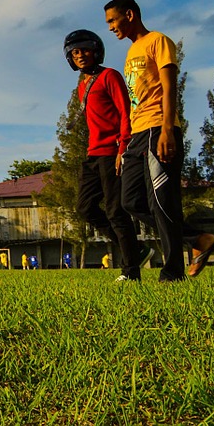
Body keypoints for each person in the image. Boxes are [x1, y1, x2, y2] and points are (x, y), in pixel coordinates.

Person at [105, 0, 214, 280]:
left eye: (112, 20)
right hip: (138, 133)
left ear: (129, 15)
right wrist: (125, 145)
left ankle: (172, 274)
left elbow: (170, 88)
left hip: (159, 127)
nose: (110, 27)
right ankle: (197, 239)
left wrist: (168, 129)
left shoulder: (158, 41)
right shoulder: (131, 52)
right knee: (130, 200)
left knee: (162, 200)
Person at [64, 28, 148, 283]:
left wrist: (123, 148)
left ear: (96, 50)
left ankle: (130, 271)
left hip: (113, 150)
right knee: (85, 207)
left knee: (115, 211)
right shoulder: (83, 86)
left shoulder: (110, 76)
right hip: (93, 153)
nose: (80, 55)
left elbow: (126, 112)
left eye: (85, 50)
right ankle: (137, 250)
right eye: (75, 52)